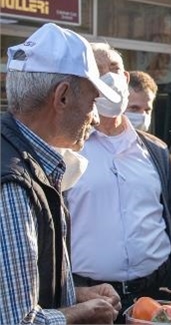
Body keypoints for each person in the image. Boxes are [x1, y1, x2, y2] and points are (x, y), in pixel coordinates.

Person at [1, 23, 122, 324]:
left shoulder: (25, 161)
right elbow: (17, 320)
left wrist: (74, 294)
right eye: (93, 101)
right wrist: (83, 313)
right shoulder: (13, 184)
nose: (95, 118)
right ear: (63, 97)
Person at [65, 43, 171, 322]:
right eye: (98, 70)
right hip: (92, 297)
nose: (109, 77)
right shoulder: (67, 151)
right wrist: (72, 291)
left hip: (157, 292)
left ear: (127, 78)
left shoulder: (156, 150)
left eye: (114, 69)